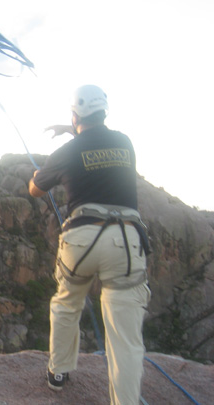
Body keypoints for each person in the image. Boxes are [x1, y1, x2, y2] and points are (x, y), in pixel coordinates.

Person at [28, 84, 151, 404]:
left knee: (67, 302)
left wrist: (37, 174)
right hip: (126, 240)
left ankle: (58, 372)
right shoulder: (125, 143)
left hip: (82, 239)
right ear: (104, 112)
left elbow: (35, 190)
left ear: (74, 115)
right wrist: (73, 130)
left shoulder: (66, 152)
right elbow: (96, 146)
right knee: (124, 336)